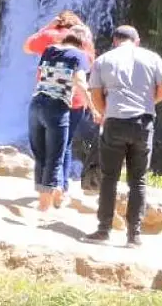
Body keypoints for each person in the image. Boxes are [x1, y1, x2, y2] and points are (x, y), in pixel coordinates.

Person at [83, 25, 162, 247]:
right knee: (138, 180)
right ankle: (134, 236)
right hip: (143, 122)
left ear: (115, 41)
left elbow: (94, 93)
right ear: (137, 40)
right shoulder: (152, 58)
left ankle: (103, 230)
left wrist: (106, 112)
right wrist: (151, 103)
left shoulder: (104, 60)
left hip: (114, 122)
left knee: (109, 177)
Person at [29, 32, 91, 211]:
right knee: (55, 157)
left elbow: (40, 77)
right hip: (57, 107)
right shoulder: (79, 55)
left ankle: (45, 197)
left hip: (36, 104)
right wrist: (92, 106)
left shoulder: (49, 50)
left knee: (40, 154)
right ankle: (44, 207)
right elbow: (80, 81)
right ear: (81, 44)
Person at [61, 24, 100, 199]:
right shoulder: (86, 55)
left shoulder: (55, 52)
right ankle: (61, 185)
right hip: (76, 103)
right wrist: (93, 108)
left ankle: (52, 184)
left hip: (60, 101)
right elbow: (83, 82)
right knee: (65, 142)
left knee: (58, 142)